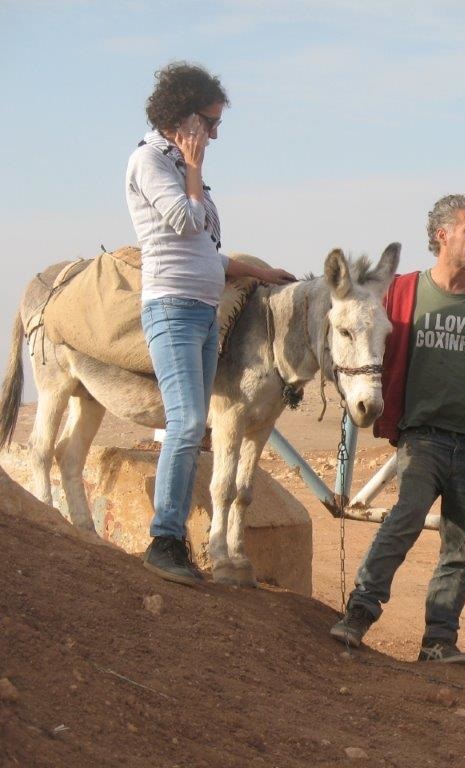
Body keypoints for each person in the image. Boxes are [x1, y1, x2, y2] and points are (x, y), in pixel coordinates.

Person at [330, 194, 465, 665]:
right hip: (422, 438)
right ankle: (358, 613)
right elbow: (360, 332)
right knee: (405, 518)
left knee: (461, 545)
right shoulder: (402, 292)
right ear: (442, 235)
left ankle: (439, 640)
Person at [126, 62, 295, 586]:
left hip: (200, 309)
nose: (215, 134)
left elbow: (206, 252)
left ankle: (175, 537)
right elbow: (186, 220)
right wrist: (195, 169)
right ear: (183, 115)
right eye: (211, 121)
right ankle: (164, 540)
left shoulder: (178, 164)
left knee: (194, 423)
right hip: (172, 308)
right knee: (185, 423)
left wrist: (258, 272)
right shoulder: (150, 160)